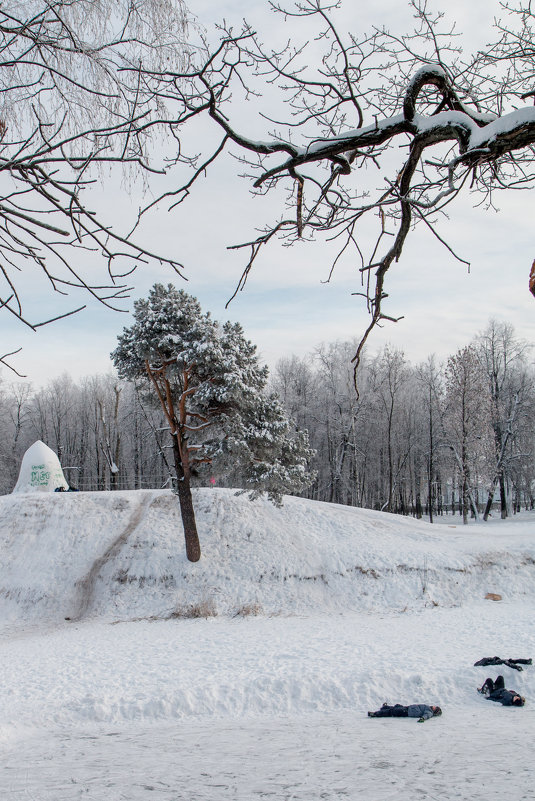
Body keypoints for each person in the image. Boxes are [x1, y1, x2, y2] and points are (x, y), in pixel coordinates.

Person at [368, 703, 442, 722]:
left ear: (435, 711)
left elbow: (426, 716)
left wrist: (422, 718)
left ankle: (375, 714)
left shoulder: (429, 712)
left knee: (392, 711)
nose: (434, 706)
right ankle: (384, 708)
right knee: (397, 706)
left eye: (435, 708)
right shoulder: (428, 707)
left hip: (408, 712)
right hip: (409, 708)